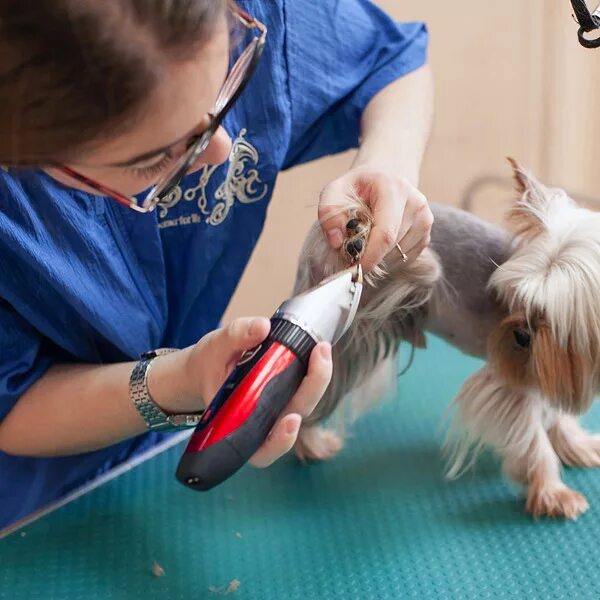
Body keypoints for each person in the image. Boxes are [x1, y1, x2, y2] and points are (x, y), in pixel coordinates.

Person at [0, 0, 433, 530]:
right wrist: (178, 382)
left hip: (155, 463)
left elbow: (392, 61)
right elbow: (12, 401)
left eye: (226, 86)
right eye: (156, 157)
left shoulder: (243, 16)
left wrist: (386, 163)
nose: (223, 149)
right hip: (35, 506)